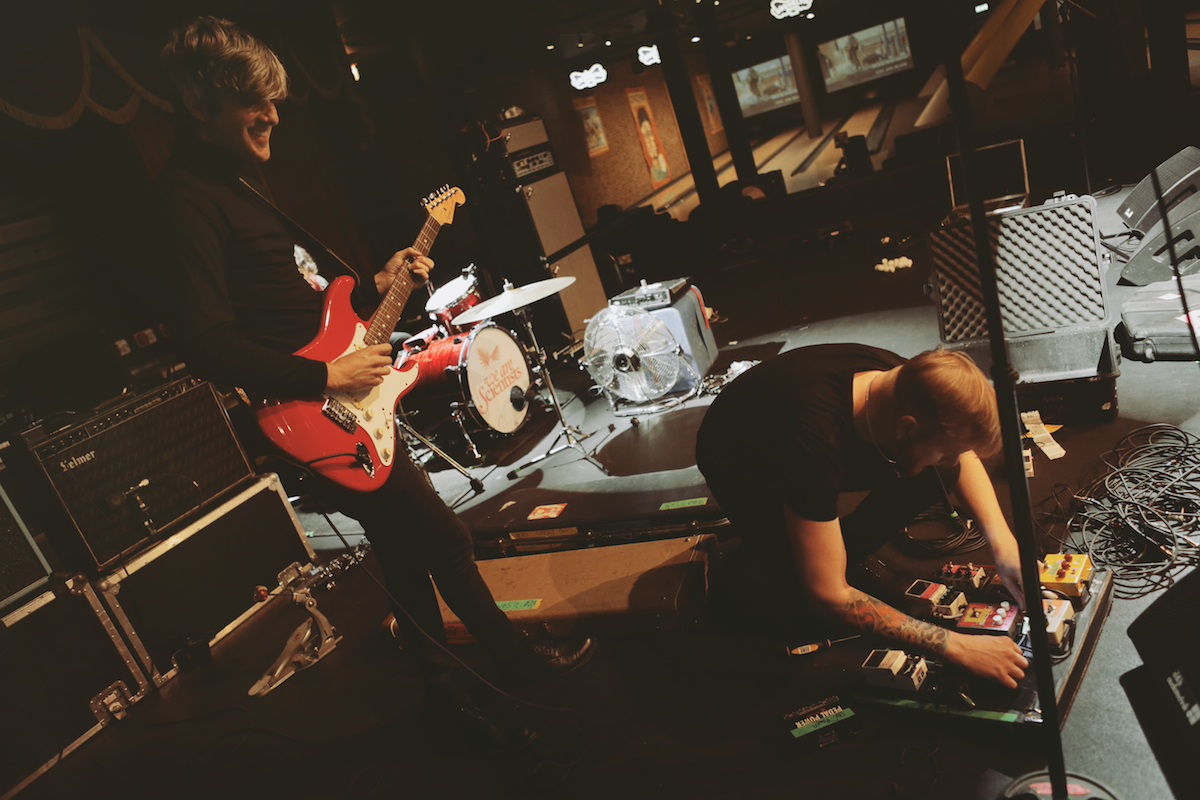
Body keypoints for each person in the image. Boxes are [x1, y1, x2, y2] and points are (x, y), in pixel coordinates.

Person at [154, 16, 594, 750]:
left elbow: (295, 308)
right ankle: (513, 666)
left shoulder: (240, 185)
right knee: (445, 537)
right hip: (307, 414)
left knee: (403, 549)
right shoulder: (185, 202)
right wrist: (324, 373)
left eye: (273, 98)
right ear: (201, 104)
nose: (272, 114)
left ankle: (453, 697)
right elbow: (206, 342)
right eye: (253, 102)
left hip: (341, 398)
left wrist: (378, 287)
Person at [695, 344, 1029, 689]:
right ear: (906, 428)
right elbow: (828, 597)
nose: (952, 457)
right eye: (945, 450)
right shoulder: (812, 446)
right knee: (810, 604)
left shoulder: (914, 382)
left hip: (804, 431)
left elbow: (960, 454)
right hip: (740, 458)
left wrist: (1003, 543)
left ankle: (843, 551)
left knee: (940, 473)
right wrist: (957, 645)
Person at [635, 106, 668, 183]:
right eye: (645, 136)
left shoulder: (662, 160)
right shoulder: (653, 171)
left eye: (650, 134)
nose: (650, 141)